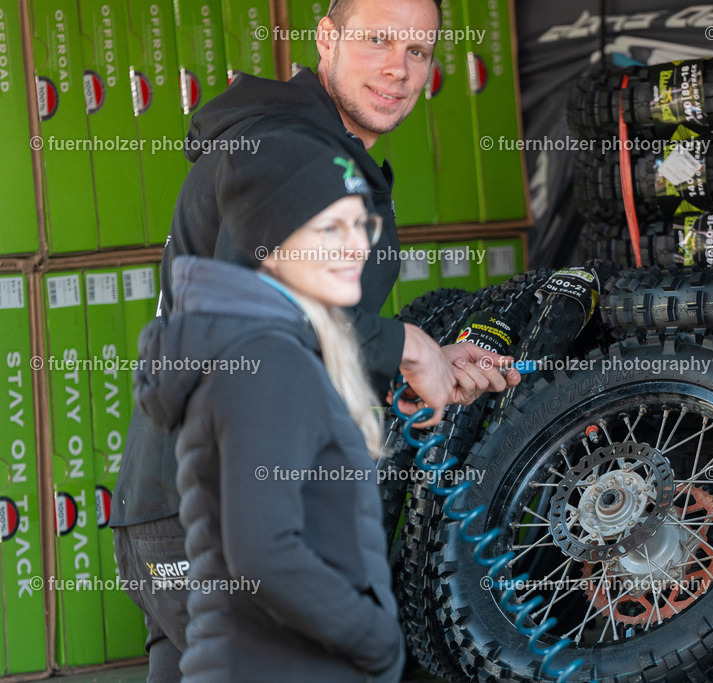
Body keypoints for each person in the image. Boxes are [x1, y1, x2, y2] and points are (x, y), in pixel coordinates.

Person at [110, 0, 520, 678]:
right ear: (327, 39)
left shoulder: (300, 147)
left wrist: (420, 365)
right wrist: (411, 347)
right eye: (379, 40)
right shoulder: (283, 148)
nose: (399, 66)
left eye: (418, 51)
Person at [129, 153, 403, 681]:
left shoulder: (267, 347)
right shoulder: (270, 362)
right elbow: (263, 551)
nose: (356, 245)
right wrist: (375, 639)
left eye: (361, 223)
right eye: (329, 227)